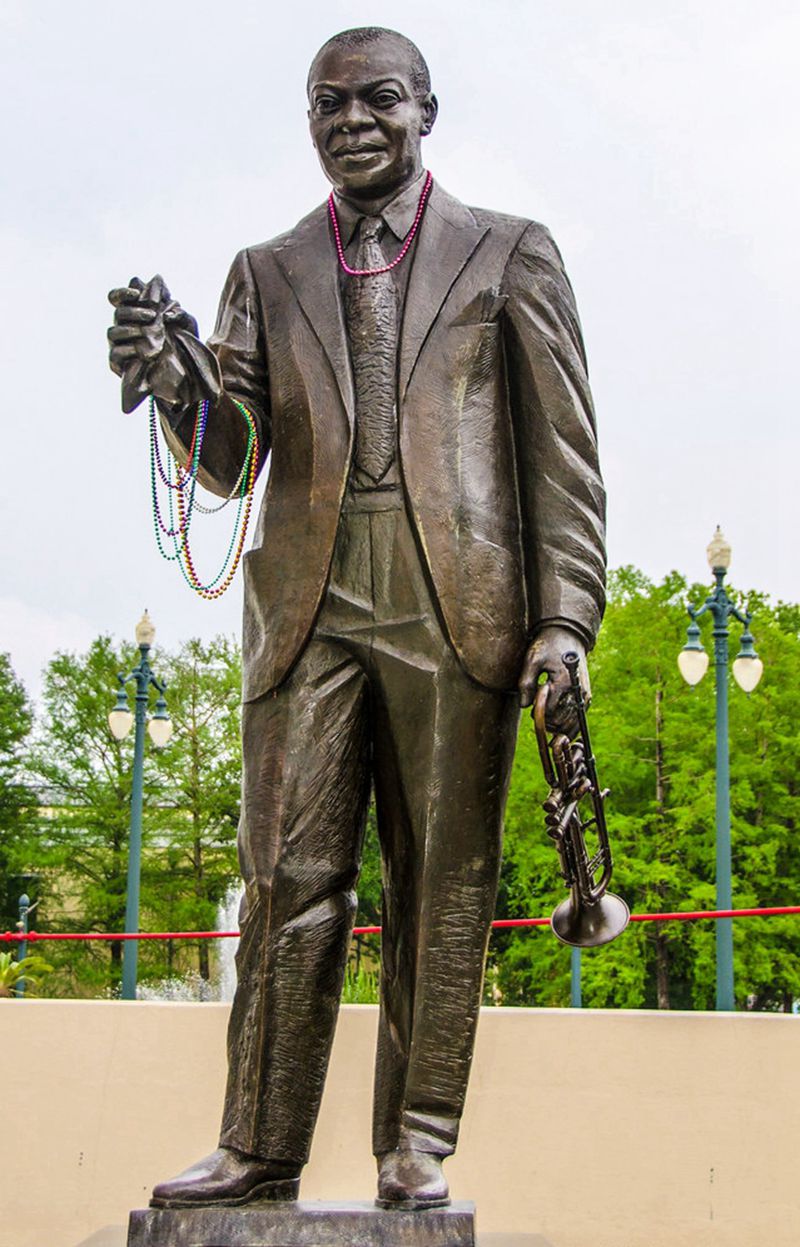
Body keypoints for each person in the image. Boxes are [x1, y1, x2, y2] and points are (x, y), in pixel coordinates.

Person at [107, 26, 605, 1212]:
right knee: (285, 875)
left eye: (377, 98)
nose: (351, 120)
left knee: (442, 877)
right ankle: (257, 1145)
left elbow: (563, 460)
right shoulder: (265, 270)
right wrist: (179, 381)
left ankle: (415, 1140)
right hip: (309, 605)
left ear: (426, 107)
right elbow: (229, 463)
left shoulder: (509, 253)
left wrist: (564, 620)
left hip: (458, 599)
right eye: (326, 104)